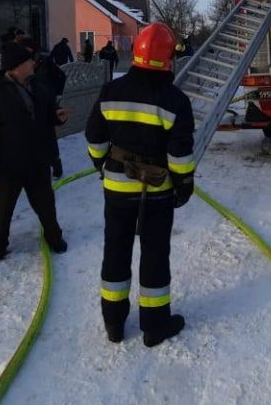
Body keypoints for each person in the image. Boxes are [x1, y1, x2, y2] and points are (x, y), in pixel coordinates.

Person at [86, 22, 196, 347]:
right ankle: (154, 326)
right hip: (157, 194)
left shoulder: (110, 92)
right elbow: (179, 155)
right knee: (154, 255)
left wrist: (101, 165)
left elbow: (94, 137)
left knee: (115, 251)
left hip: (117, 189)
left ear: (135, 53)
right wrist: (184, 185)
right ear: (168, 59)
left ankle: (114, 324)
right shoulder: (175, 101)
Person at [0, 43, 68, 261]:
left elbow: (48, 111)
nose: (33, 63)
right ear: (16, 66)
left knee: (45, 204)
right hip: (8, 163)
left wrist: (57, 115)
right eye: (28, 60)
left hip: (37, 159)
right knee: (3, 208)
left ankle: (54, 238)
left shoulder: (39, 86)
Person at [18, 36, 69, 180]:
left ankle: (56, 164)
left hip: (46, 102)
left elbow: (61, 76)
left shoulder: (44, 62)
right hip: (28, 103)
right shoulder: (18, 64)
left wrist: (57, 93)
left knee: (48, 137)